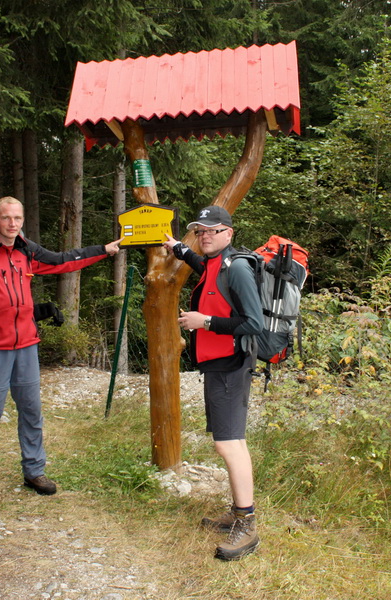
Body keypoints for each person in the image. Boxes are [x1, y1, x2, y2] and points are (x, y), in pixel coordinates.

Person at [0, 196, 122, 507]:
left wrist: (103, 250)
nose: (12, 224)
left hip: (27, 346)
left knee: (31, 411)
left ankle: (34, 471)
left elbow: (62, 260)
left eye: (17, 218)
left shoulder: (26, 251)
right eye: (6, 218)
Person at [164, 205, 264, 561]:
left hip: (231, 365)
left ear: (229, 233)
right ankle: (239, 512)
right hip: (219, 364)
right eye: (200, 231)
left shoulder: (236, 268)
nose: (205, 236)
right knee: (229, 441)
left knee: (230, 444)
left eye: (212, 230)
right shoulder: (215, 262)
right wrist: (178, 247)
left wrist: (204, 321)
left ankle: (247, 525)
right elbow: (201, 265)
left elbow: (254, 323)